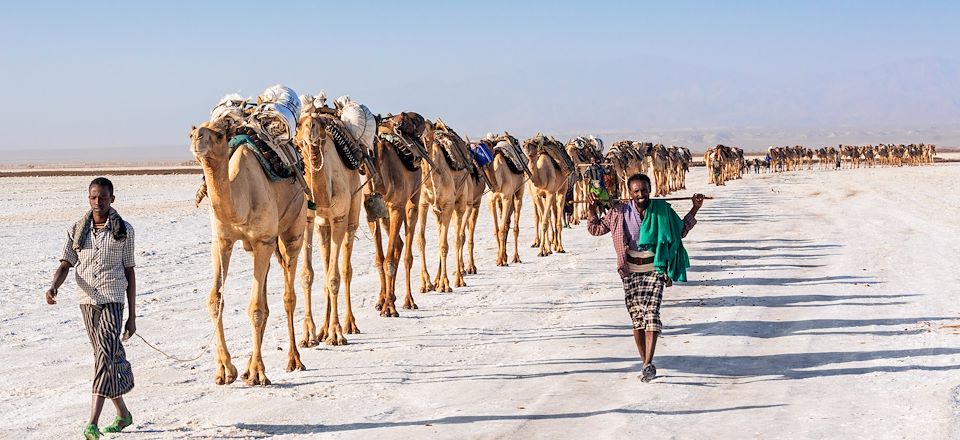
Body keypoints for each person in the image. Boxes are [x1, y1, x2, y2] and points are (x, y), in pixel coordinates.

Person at [586, 173, 704, 382]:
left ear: (650, 190)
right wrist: (591, 209)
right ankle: (644, 363)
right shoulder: (618, 212)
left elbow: (681, 231)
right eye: (636, 191)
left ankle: (649, 362)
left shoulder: (662, 211)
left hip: (655, 269)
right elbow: (595, 229)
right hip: (630, 271)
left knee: (652, 315)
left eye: (644, 190)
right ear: (629, 193)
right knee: (637, 320)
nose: (641, 194)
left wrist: (695, 208)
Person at [46, 177, 137, 439]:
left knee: (103, 357)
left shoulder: (124, 231)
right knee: (105, 358)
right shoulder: (77, 229)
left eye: (103, 197)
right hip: (86, 301)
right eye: (94, 197)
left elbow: (130, 272)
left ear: (112, 199)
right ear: (89, 198)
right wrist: (54, 286)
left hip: (112, 299)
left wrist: (132, 316)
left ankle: (92, 423)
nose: (98, 202)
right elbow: (66, 264)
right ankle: (123, 414)